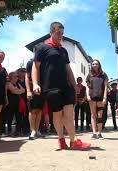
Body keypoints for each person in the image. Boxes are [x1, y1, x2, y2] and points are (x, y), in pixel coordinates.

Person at [32, 22, 90, 150]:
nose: (60, 36)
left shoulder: (63, 50)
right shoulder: (42, 48)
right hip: (51, 88)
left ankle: (73, 141)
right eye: (58, 33)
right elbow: (35, 67)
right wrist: (35, 83)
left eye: (62, 34)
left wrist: (74, 85)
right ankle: (61, 140)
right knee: (57, 115)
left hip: (66, 87)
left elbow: (68, 69)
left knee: (69, 114)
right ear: (51, 32)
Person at [86, 59, 109, 140]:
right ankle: (94, 133)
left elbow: (106, 87)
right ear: (91, 65)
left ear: (99, 65)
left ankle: (99, 133)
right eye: (93, 64)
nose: (95, 65)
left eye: (96, 64)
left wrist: (105, 98)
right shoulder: (89, 75)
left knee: (100, 116)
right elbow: (88, 87)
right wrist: (87, 96)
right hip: (92, 97)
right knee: (93, 115)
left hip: (100, 98)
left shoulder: (103, 75)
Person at [26, 59, 44, 140]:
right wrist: (28, 90)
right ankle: (32, 130)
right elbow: (27, 77)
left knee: (39, 111)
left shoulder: (44, 62)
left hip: (42, 89)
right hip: (32, 87)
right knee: (32, 111)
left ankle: (37, 130)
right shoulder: (30, 62)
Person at [3, 71, 25, 136]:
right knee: (9, 117)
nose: (17, 77)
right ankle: (9, 131)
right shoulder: (8, 83)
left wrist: (17, 90)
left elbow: (23, 90)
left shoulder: (18, 84)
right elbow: (13, 91)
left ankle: (18, 131)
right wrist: (18, 91)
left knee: (18, 117)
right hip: (10, 102)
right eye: (15, 76)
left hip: (17, 102)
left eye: (17, 76)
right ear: (11, 77)